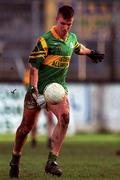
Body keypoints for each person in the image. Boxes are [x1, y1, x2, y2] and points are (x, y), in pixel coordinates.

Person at [9, 5, 104, 178]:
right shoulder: (45, 40)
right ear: (56, 20)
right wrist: (33, 90)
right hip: (39, 89)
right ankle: (15, 158)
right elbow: (34, 68)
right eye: (63, 24)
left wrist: (91, 52)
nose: (66, 28)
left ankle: (51, 161)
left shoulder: (71, 38)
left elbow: (77, 47)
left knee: (65, 117)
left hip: (57, 90)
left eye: (69, 24)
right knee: (25, 128)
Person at [23, 68, 55, 148]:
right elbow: (27, 84)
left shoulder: (47, 70)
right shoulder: (29, 72)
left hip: (45, 97)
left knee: (49, 118)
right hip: (36, 97)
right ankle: (34, 139)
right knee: (34, 120)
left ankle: (50, 139)